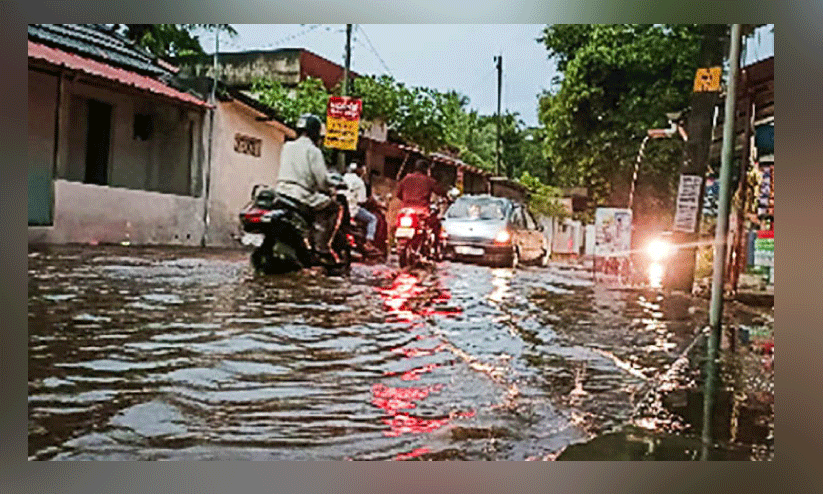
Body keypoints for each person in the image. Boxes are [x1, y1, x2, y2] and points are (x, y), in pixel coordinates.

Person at [275, 113, 341, 265]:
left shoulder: (287, 146)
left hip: (281, 191)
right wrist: (328, 188)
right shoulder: (313, 151)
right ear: (315, 132)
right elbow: (322, 180)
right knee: (332, 208)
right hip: (301, 195)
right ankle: (321, 248)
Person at [395, 158, 447, 250]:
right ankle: (434, 247)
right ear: (426, 170)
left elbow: (398, 194)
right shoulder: (428, 180)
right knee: (435, 223)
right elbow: (440, 191)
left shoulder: (406, 178)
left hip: (405, 211)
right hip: (422, 211)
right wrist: (446, 196)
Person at [343, 162, 380, 254]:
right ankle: (369, 241)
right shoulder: (359, 182)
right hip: (353, 210)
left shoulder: (343, 177)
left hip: (342, 209)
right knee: (373, 219)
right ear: (358, 170)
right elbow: (362, 201)